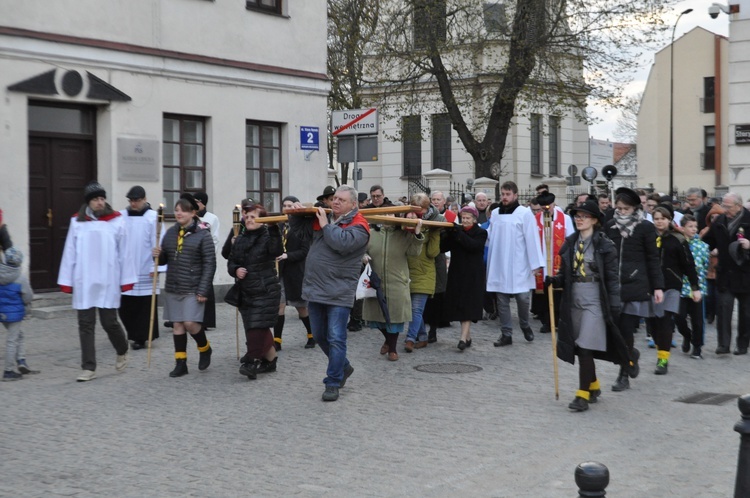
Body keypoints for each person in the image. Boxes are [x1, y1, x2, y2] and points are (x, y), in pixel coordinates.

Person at [545, 200, 627, 412]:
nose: (579, 219)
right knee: (581, 346)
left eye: (584, 216)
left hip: (595, 300)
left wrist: (615, 305)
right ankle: (593, 385)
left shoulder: (605, 246)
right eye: (577, 216)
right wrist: (554, 281)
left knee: (585, 347)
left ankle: (582, 395)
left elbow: (612, 279)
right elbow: (565, 274)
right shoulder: (570, 243)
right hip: (574, 300)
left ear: (594, 220)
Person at [293, 186, 370, 402]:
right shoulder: (323, 220)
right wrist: (297, 215)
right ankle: (343, 367)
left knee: (336, 337)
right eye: (334, 198)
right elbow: (300, 232)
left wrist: (327, 225)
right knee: (319, 335)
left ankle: (333, 381)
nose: (335, 202)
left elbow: (342, 244)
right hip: (316, 288)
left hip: (339, 291)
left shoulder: (360, 226)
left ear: (353, 204)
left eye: (341, 200)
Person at [58, 181, 135, 382]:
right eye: (95, 199)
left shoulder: (116, 221)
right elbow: (70, 252)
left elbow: (124, 253)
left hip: (107, 280)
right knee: (85, 323)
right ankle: (88, 367)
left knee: (109, 322)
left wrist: (126, 279)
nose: (100, 202)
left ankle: (122, 348)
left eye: (102, 198)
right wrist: (67, 280)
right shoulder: (77, 222)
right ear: (88, 202)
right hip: (84, 280)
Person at [604, 187, 664, 391]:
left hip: (635, 284)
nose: (621, 212)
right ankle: (631, 356)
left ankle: (623, 374)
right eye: (618, 208)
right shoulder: (610, 226)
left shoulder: (645, 227)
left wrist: (657, 286)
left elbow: (653, 258)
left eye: (625, 209)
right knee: (616, 333)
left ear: (635, 208)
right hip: (613, 286)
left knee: (626, 330)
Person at [154, 194, 216, 378]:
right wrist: (157, 255)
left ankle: (205, 348)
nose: (178, 213)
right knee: (178, 325)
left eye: (182, 210)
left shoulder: (203, 234)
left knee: (190, 323)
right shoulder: (171, 232)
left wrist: (203, 289)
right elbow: (166, 258)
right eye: (176, 210)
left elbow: (210, 263)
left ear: (193, 213)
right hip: (174, 284)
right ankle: (181, 363)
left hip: (193, 286)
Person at [227, 202, 283, 379]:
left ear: (263, 219)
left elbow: (276, 250)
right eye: (247, 216)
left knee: (256, 326)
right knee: (258, 326)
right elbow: (231, 262)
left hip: (265, 290)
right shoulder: (241, 238)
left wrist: (274, 229)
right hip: (246, 291)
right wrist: (235, 270)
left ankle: (252, 361)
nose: (250, 220)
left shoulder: (267, 235)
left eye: (254, 217)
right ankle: (270, 360)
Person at [486, 181, 544, 346]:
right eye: (503, 194)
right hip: (500, 262)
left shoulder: (524, 213)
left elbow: (532, 238)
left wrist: (536, 264)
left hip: (519, 262)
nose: (504, 197)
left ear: (515, 195)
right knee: (502, 299)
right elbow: (490, 234)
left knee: (523, 298)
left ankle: (525, 325)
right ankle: (506, 333)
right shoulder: (496, 213)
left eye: (508, 194)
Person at [363, 208, 424, 361]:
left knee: (395, 318)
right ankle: (388, 341)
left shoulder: (403, 235)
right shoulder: (371, 234)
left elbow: (415, 252)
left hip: (397, 281)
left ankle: (393, 349)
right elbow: (360, 250)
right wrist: (363, 256)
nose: (387, 217)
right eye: (384, 214)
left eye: (390, 214)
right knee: (377, 318)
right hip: (376, 282)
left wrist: (417, 234)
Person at [649, 206, 700, 374]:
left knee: (665, 320)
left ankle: (663, 360)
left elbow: (688, 264)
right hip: (651, 286)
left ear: (669, 220)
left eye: (663, 218)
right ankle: (660, 350)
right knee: (654, 324)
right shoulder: (647, 237)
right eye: (656, 218)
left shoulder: (678, 239)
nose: (659, 221)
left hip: (671, 285)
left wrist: (695, 287)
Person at [701, 192, 750, 355]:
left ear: (739, 206)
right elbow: (707, 241)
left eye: (728, 207)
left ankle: (742, 344)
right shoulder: (719, 221)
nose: (725, 210)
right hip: (726, 273)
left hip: (745, 274)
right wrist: (709, 248)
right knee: (723, 308)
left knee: (746, 313)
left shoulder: (748, 220)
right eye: (724, 206)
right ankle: (723, 344)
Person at [119, 185, 162, 350]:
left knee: (144, 305)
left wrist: (155, 266)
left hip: (145, 266)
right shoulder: (122, 216)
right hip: (127, 267)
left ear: (144, 200)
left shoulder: (153, 217)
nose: (133, 203)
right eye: (131, 200)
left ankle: (141, 337)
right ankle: (130, 332)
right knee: (126, 305)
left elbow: (158, 242)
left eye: (136, 200)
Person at [442, 206, 488, 350]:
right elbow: (443, 248)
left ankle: (462, 339)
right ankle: (467, 336)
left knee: (469, 306)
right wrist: (447, 234)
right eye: (464, 218)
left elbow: (473, 246)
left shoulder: (481, 233)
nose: (465, 221)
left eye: (468, 218)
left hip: (473, 274)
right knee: (460, 305)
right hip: (457, 273)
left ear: (474, 220)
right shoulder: (457, 232)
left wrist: (457, 234)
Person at [403, 193, 444, 351]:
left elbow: (433, 253)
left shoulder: (435, 222)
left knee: (416, 309)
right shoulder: (406, 219)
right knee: (412, 309)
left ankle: (410, 338)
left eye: (421, 210)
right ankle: (423, 337)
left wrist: (433, 234)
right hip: (408, 271)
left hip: (424, 272)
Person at [273, 196, 314, 350]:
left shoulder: (301, 226)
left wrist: (288, 255)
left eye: (290, 206)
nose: (287, 209)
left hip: (296, 272)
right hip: (281, 272)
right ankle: (277, 341)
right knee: (280, 305)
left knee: (301, 307)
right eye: (285, 206)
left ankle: (311, 335)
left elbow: (304, 251)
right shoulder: (279, 225)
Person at [533, 192, 574, 335]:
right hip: (542, 263)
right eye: (543, 208)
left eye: (548, 206)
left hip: (558, 261)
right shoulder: (536, 219)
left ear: (553, 204)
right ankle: (546, 321)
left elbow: (570, 239)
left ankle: (558, 321)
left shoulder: (565, 219)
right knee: (544, 294)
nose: (546, 210)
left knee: (558, 294)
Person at [673, 214, 709, 359]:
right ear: (682, 228)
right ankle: (687, 336)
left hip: (697, 288)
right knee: (679, 318)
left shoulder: (703, 246)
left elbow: (704, 267)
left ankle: (697, 347)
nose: (694, 229)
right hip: (680, 287)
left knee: (698, 321)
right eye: (690, 226)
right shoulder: (677, 244)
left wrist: (699, 287)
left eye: (695, 227)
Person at [1, 248, 36, 381]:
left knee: (19, 335)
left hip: (1, 312)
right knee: (12, 340)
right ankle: (8, 371)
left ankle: (21, 360)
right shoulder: (21, 278)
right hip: (14, 313)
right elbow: (28, 297)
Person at [193, 191, 219, 330]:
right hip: (193, 258)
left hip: (206, 257)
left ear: (203, 203)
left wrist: (208, 255)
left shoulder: (212, 218)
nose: (195, 204)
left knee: (206, 287)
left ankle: (206, 320)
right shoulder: (191, 216)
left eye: (197, 201)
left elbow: (215, 238)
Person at [700, 203, 725, 325]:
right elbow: (700, 245)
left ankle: (719, 314)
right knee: (709, 294)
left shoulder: (725, 230)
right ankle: (710, 314)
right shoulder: (705, 231)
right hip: (708, 267)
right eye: (712, 217)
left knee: (719, 294)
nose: (714, 219)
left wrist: (719, 251)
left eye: (717, 216)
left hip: (721, 267)